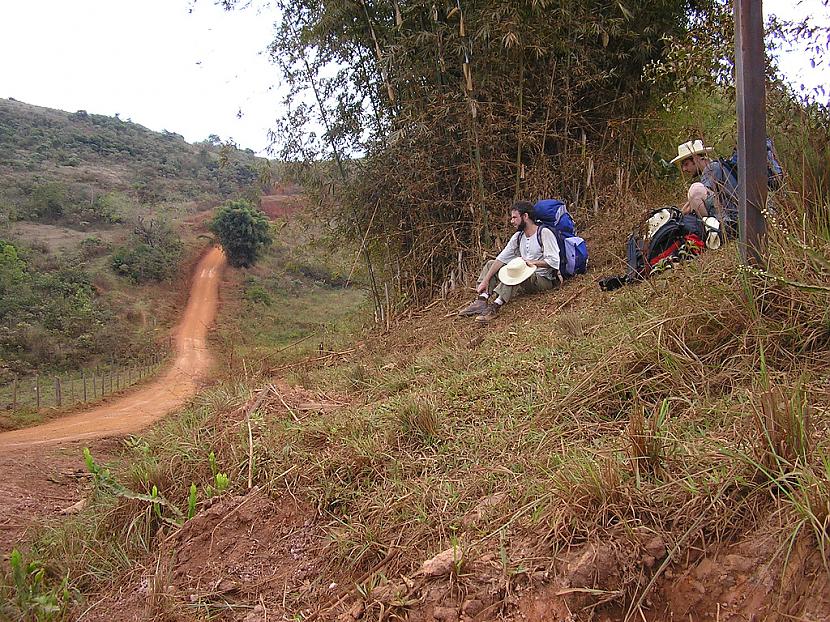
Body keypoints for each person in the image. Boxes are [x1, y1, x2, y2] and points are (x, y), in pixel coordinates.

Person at [459, 201, 562, 322]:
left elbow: (554, 261)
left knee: (517, 271)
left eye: (514, 217)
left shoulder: (544, 233)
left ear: (525, 216)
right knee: (491, 264)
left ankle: (495, 306)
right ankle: (482, 300)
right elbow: (501, 259)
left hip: (543, 280)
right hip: (525, 278)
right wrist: (485, 281)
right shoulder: (518, 236)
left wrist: (533, 263)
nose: (512, 221)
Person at [670, 139, 738, 238]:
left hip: (734, 219)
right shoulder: (714, 167)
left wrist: (677, 217)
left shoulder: (712, 168)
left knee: (695, 190)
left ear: (696, 158)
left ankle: (713, 232)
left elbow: (695, 199)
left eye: (686, 164)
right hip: (735, 216)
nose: (684, 169)